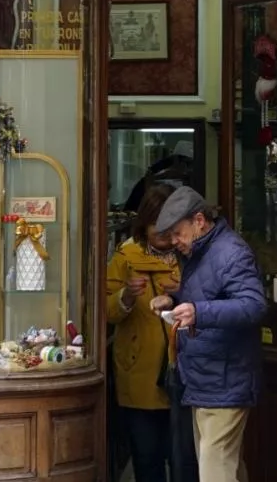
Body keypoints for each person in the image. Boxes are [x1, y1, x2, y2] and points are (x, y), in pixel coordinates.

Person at [148, 187, 267, 482]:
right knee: (224, 468)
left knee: (216, 470)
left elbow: (253, 305)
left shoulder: (230, 252)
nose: (174, 242)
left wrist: (199, 312)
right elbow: (210, 297)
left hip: (224, 380)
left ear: (199, 220)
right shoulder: (203, 252)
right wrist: (175, 304)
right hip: (208, 379)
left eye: (178, 233)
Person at [105, 185, 182, 482]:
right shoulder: (126, 257)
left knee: (183, 460)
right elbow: (107, 312)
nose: (164, 234)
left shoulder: (189, 253)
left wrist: (184, 293)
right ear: (143, 224)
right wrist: (125, 297)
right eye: (156, 226)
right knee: (146, 459)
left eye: (169, 227)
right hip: (138, 372)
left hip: (182, 372)